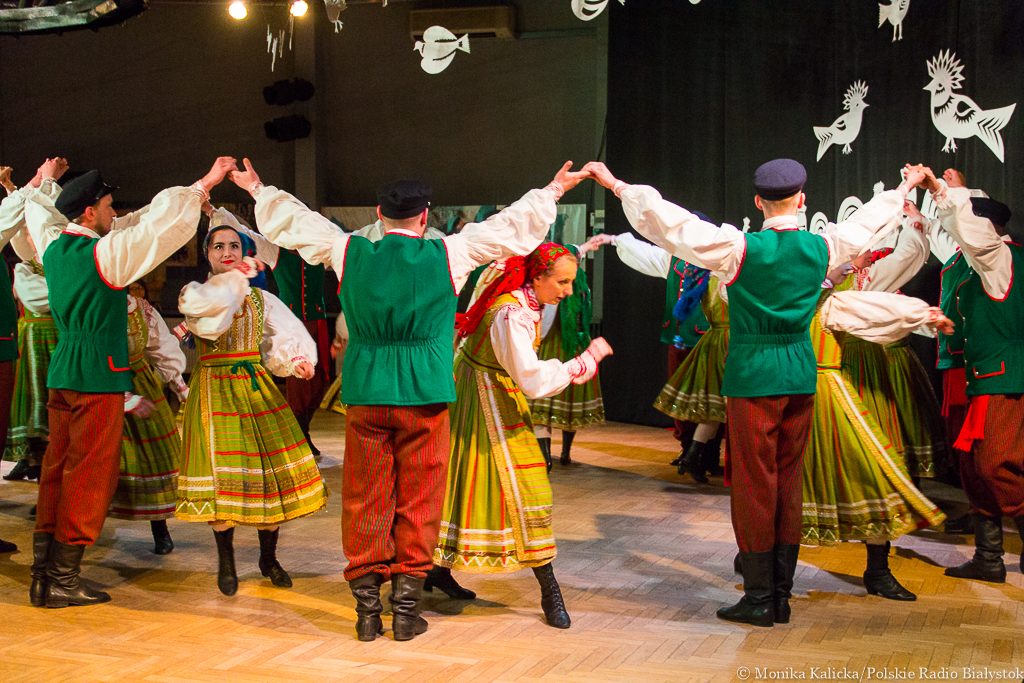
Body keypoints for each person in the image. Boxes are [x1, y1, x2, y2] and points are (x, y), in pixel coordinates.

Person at [231, 157, 589, 642]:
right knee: (419, 499)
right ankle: (405, 611)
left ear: (379, 215)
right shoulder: (450, 253)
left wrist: (258, 189)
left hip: (367, 393)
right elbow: (510, 228)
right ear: (425, 217)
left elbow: (299, 224)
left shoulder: (348, 250)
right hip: (425, 395)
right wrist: (552, 190)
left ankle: (366, 612)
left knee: (366, 496)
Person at [586, 158, 927, 627]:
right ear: (802, 200)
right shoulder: (823, 246)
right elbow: (869, 221)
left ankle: (760, 597)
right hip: (801, 374)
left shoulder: (738, 248)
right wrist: (905, 186)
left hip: (753, 376)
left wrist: (617, 185)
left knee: (753, 485)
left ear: (758, 202)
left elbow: (670, 223)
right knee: (788, 482)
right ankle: (780, 595)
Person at [23, 157, 235, 608]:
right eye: (107, 206)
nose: (113, 213)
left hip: (64, 372)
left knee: (56, 472)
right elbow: (156, 233)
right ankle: (63, 577)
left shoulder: (53, 247)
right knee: (89, 477)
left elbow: (130, 223)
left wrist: (43, 183)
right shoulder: (104, 256)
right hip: (98, 376)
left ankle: (43, 576)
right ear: (88, 213)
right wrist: (203, 185)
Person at [429, 244, 612, 627]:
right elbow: (531, 379)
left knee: (463, 482)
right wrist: (585, 360)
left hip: (491, 389)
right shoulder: (511, 313)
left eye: (571, 282)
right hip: (482, 396)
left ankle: (438, 571)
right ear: (538, 277)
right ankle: (549, 591)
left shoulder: (519, 293)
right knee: (519, 488)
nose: (567, 290)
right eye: (561, 282)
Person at [175, 221, 328, 595]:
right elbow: (210, 322)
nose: (227, 252)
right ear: (207, 254)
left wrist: (297, 360)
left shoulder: (262, 299)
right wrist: (236, 280)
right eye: (219, 246)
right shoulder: (195, 294)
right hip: (213, 389)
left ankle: (268, 559)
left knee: (267, 475)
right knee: (221, 478)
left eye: (234, 246)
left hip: (254, 387)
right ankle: (226, 564)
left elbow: (285, 333)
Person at [800, 269, 950, 610]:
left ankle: (878, 570)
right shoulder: (784, 295)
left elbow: (875, 308)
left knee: (871, 476)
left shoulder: (829, 301)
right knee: (787, 483)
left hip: (818, 392)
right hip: (788, 392)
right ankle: (764, 564)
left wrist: (923, 315)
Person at [922, 170, 1024, 583]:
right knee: (972, 466)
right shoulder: (970, 262)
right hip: (976, 375)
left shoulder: (1000, 256)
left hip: (1004, 375)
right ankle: (988, 557)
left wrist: (943, 190)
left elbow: (968, 229)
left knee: (996, 464)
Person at [202, 205, 332, 456]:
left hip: (318, 322)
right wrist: (212, 211)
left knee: (320, 380)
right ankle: (299, 433)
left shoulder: (320, 250)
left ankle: (305, 426)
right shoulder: (276, 251)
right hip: (291, 321)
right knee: (298, 383)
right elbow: (243, 231)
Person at [584, 230, 711, 466]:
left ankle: (707, 454)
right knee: (678, 395)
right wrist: (614, 240)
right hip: (678, 340)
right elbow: (646, 254)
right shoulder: (674, 260)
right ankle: (687, 449)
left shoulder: (715, 261)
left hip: (705, 340)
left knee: (707, 396)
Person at [108, 294, 189, 555]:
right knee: (106, 458)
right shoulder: (93, 304)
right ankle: (83, 530)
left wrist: (180, 387)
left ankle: (160, 527)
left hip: (140, 381)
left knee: (158, 457)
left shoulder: (141, 309)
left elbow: (161, 347)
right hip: (104, 386)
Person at [0, 162, 63, 485]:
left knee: (50, 400)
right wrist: (31, 185)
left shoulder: (54, 262)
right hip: (32, 338)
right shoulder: (28, 267)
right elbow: (12, 225)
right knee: (30, 399)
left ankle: (44, 460)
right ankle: (29, 458)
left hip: (55, 338)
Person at [528, 243, 605, 470]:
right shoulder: (581, 284)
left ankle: (546, 455)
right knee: (569, 401)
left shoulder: (558, 284)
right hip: (576, 345)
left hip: (554, 343)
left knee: (543, 404)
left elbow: (546, 317)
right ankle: (565, 453)